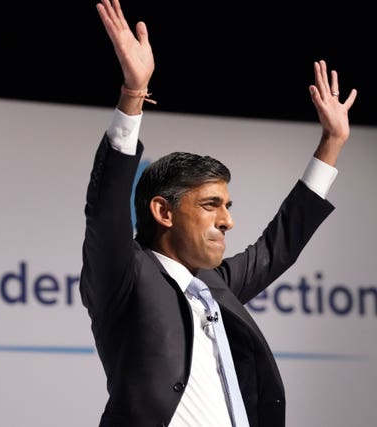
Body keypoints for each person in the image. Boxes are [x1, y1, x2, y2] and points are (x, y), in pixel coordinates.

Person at [80, 0, 357, 426]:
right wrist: (133, 94)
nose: (227, 220)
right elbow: (106, 211)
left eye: (227, 207)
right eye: (211, 205)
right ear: (163, 212)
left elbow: (279, 245)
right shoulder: (125, 276)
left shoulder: (216, 284)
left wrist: (332, 144)